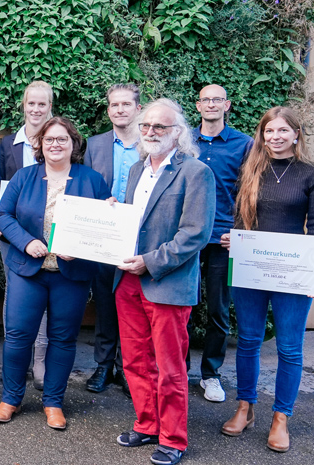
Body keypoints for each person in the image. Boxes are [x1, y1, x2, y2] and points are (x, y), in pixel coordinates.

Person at [219, 107, 314, 453]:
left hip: (293, 272)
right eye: (269, 132)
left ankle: (281, 417)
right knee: (248, 340)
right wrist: (233, 239)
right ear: (261, 135)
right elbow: (241, 219)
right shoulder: (251, 169)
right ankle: (245, 407)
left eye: (283, 131)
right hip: (251, 269)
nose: (275, 137)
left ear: (297, 134)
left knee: (289, 348)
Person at [113, 99, 215, 465]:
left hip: (167, 283)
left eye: (160, 127)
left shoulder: (195, 172)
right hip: (127, 280)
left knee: (171, 368)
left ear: (178, 133)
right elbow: (134, 222)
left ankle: (173, 438)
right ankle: (146, 423)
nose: (151, 132)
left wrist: (150, 263)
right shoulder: (139, 169)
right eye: (146, 126)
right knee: (136, 361)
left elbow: (195, 234)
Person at [0, 117, 109, 430]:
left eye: (62, 139)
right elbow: (3, 215)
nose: (56, 144)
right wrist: (26, 241)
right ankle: (11, 398)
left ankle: (54, 402)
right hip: (28, 271)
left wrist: (82, 245)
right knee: (17, 337)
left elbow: (103, 228)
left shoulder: (92, 180)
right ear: (40, 145)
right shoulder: (24, 177)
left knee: (63, 338)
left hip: (70, 274)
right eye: (49, 140)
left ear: (74, 144)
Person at [189, 84, 252, 403]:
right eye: (205, 100)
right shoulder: (185, 140)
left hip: (223, 239)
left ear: (227, 105)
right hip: (186, 237)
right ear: (198, 106)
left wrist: (240, 232)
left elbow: (250, 193)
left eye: (217, 99)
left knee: (217, 311)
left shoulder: (244, 144)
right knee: (181, 306)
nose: (211, 104)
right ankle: (177, 369)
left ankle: (210, 375)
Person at [83, 83, 141, 394]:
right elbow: (88, 186)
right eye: (114, 105)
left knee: (134, 306)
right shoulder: (95, 145)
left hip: (140, 237)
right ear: (108, 111)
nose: (119, 110)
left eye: (125, 105)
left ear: (138, 109)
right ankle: (104, 366)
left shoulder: (151, 143)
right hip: (104, 235)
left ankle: (129, 369)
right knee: (106, 303)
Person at [0, 80, 52, 390]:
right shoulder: (7, 144)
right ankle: (15, 357)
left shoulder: (58, 139)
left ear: (50, 107)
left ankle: (40, 358)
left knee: (45, 293)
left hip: (48, 231)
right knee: (14, 291)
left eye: (42, 104)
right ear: (23, 105)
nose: (36, 109)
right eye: (31, 103)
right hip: (13, 230)